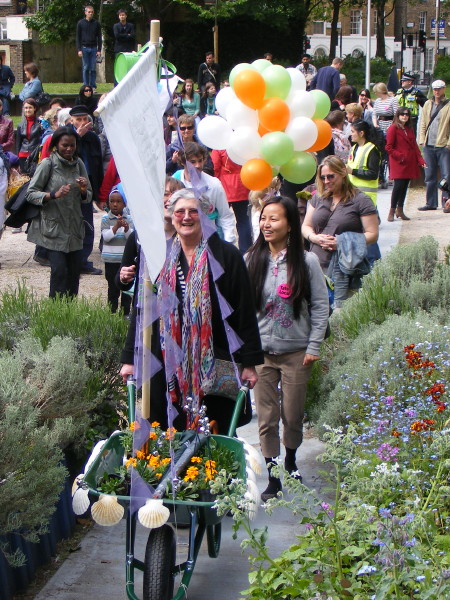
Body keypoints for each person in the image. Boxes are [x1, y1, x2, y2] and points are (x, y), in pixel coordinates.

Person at [119, 188, 263, 433]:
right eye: (180, 211)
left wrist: (249, 362)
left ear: (205, 214)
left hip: (213, 359)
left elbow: (244, 311)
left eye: (193, 211)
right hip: (165, 359)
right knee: (166, 431)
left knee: (214, 433)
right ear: (172, 216)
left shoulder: (227, 256)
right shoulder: (158, 256)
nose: (186, 217)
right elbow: (141, 310)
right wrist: (129, 359)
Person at [246, 196, 329, 500]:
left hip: (297, 352)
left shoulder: (306, 262)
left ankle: (291, 460)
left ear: (290, 224)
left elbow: (321, 306)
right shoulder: (251, 259)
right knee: (266, 417)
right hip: (262, 355)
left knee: (291, 416)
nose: (267, 225)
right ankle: (274, 473)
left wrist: (313, 346)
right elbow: (242, 310)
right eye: (264, 218)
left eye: (275, 219)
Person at [301, 156, 379, 306]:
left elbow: (373, 234)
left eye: (331, 176)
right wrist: (314, 238)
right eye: (323, 177)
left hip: (345, 267)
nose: (326, 181)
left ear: (343, 172)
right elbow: (306, 226)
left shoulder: (361, 200)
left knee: (340, 315)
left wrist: (342, 242)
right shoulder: (318, 197)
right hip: (316, 264)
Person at [25, 126, 92, 297]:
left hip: (75, 228)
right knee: (59, 272)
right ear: (56, 145)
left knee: (74, 273)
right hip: (53, 229)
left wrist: (83, 189)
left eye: (72, 145)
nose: (69, 149)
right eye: (65, 145)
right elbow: (31, 194)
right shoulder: (48, 164)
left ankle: (70, 313)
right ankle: (55, 312)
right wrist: (53, 195)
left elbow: (88, 196)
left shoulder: (79, 164)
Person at [173, 142, 237, 244]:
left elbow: (225, 216)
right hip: (181, 238)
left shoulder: (214, 184)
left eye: (200, 161)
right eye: (192, 162)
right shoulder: (174, 181)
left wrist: (229, 243)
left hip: (208, 236)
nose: (198, 165)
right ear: (183, 163)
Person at [69, 105, 104, 274]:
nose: (83, 123)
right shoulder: (66, 136)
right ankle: (71, 261)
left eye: (85, 119)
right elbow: (64, 158)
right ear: (71, 121)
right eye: (78, 119)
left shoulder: (93, 138)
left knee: (88, 226)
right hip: (70, 189)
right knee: (72, 226)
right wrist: (76, 138)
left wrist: (99, 194)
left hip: (88, 187)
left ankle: (82, 261)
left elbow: (97, 166)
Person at [385, 108, 426, 222]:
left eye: (407, 114)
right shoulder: (393, 128)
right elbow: (389, 147)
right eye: (402, 114)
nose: (405, 116)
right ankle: (392, 210)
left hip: (409, 162)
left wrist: (420, 160)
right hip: (399, 162)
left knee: (404, 187)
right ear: (398, 115)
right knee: (398, 187)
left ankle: (400, 209)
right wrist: (400, 156)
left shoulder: (409, 128)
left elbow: (415, 146)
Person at [417, 79, 450, 212]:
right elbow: (423, 123)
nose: (436, 91)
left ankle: (446, 202)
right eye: (435, 89)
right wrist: (422, 139)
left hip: (443, 144)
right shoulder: (427, 104)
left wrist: (449, 143)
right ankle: (431, 202)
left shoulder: (448, 105)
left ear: (444, 89)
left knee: (446, 175)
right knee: (429, 176)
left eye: (439, 88)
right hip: (429, 144)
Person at [101, 184, 134, 314]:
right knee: (112, 287)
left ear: (124, 204)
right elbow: (106, 237)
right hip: (110, 260)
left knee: (126, 287)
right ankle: (112, 311)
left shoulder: (130, 219)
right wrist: (115, 227)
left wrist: (126, 228)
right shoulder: (105, 219)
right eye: (112, 201)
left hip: (124, 260)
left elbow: (130, 237)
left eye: (118, 202)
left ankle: (125, 312)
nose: (115, 204)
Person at [211, 149, 252, 253]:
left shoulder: (219, 147)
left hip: (223, 186)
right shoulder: (243, 145)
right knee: (244, 221)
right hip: (242, 185)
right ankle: (246, 250)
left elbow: (214, 166)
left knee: (220, 219)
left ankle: (221, 248)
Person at [346, 120, 380, 205]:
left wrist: (353, 171)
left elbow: (373, 174)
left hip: (367, 196)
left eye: (353, 132)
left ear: (361, 133)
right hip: (352, 194)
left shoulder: (372, 149)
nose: (351, 134)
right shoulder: (353, 148)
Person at [76, 5, 102, 89]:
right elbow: (78, 37)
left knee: (93, 68)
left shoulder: (96, 23)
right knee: (86, 67)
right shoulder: (80, 23)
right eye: (89, 12)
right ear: (85, 12)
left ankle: (93, 86)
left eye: (92, 12)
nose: (90, 14)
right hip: (84, 48)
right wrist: (79, 49)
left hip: (94, 48)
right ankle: (86, 85)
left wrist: (99, 49)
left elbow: (99, 37)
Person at [17, 98, 42, 174]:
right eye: (26, 108)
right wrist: (18, 156)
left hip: (35, 154)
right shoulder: (20, 125)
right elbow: (18, 143)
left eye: (30, 107)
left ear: (34, 108)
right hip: (23, 154)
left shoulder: (40, 123)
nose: (28, 110)